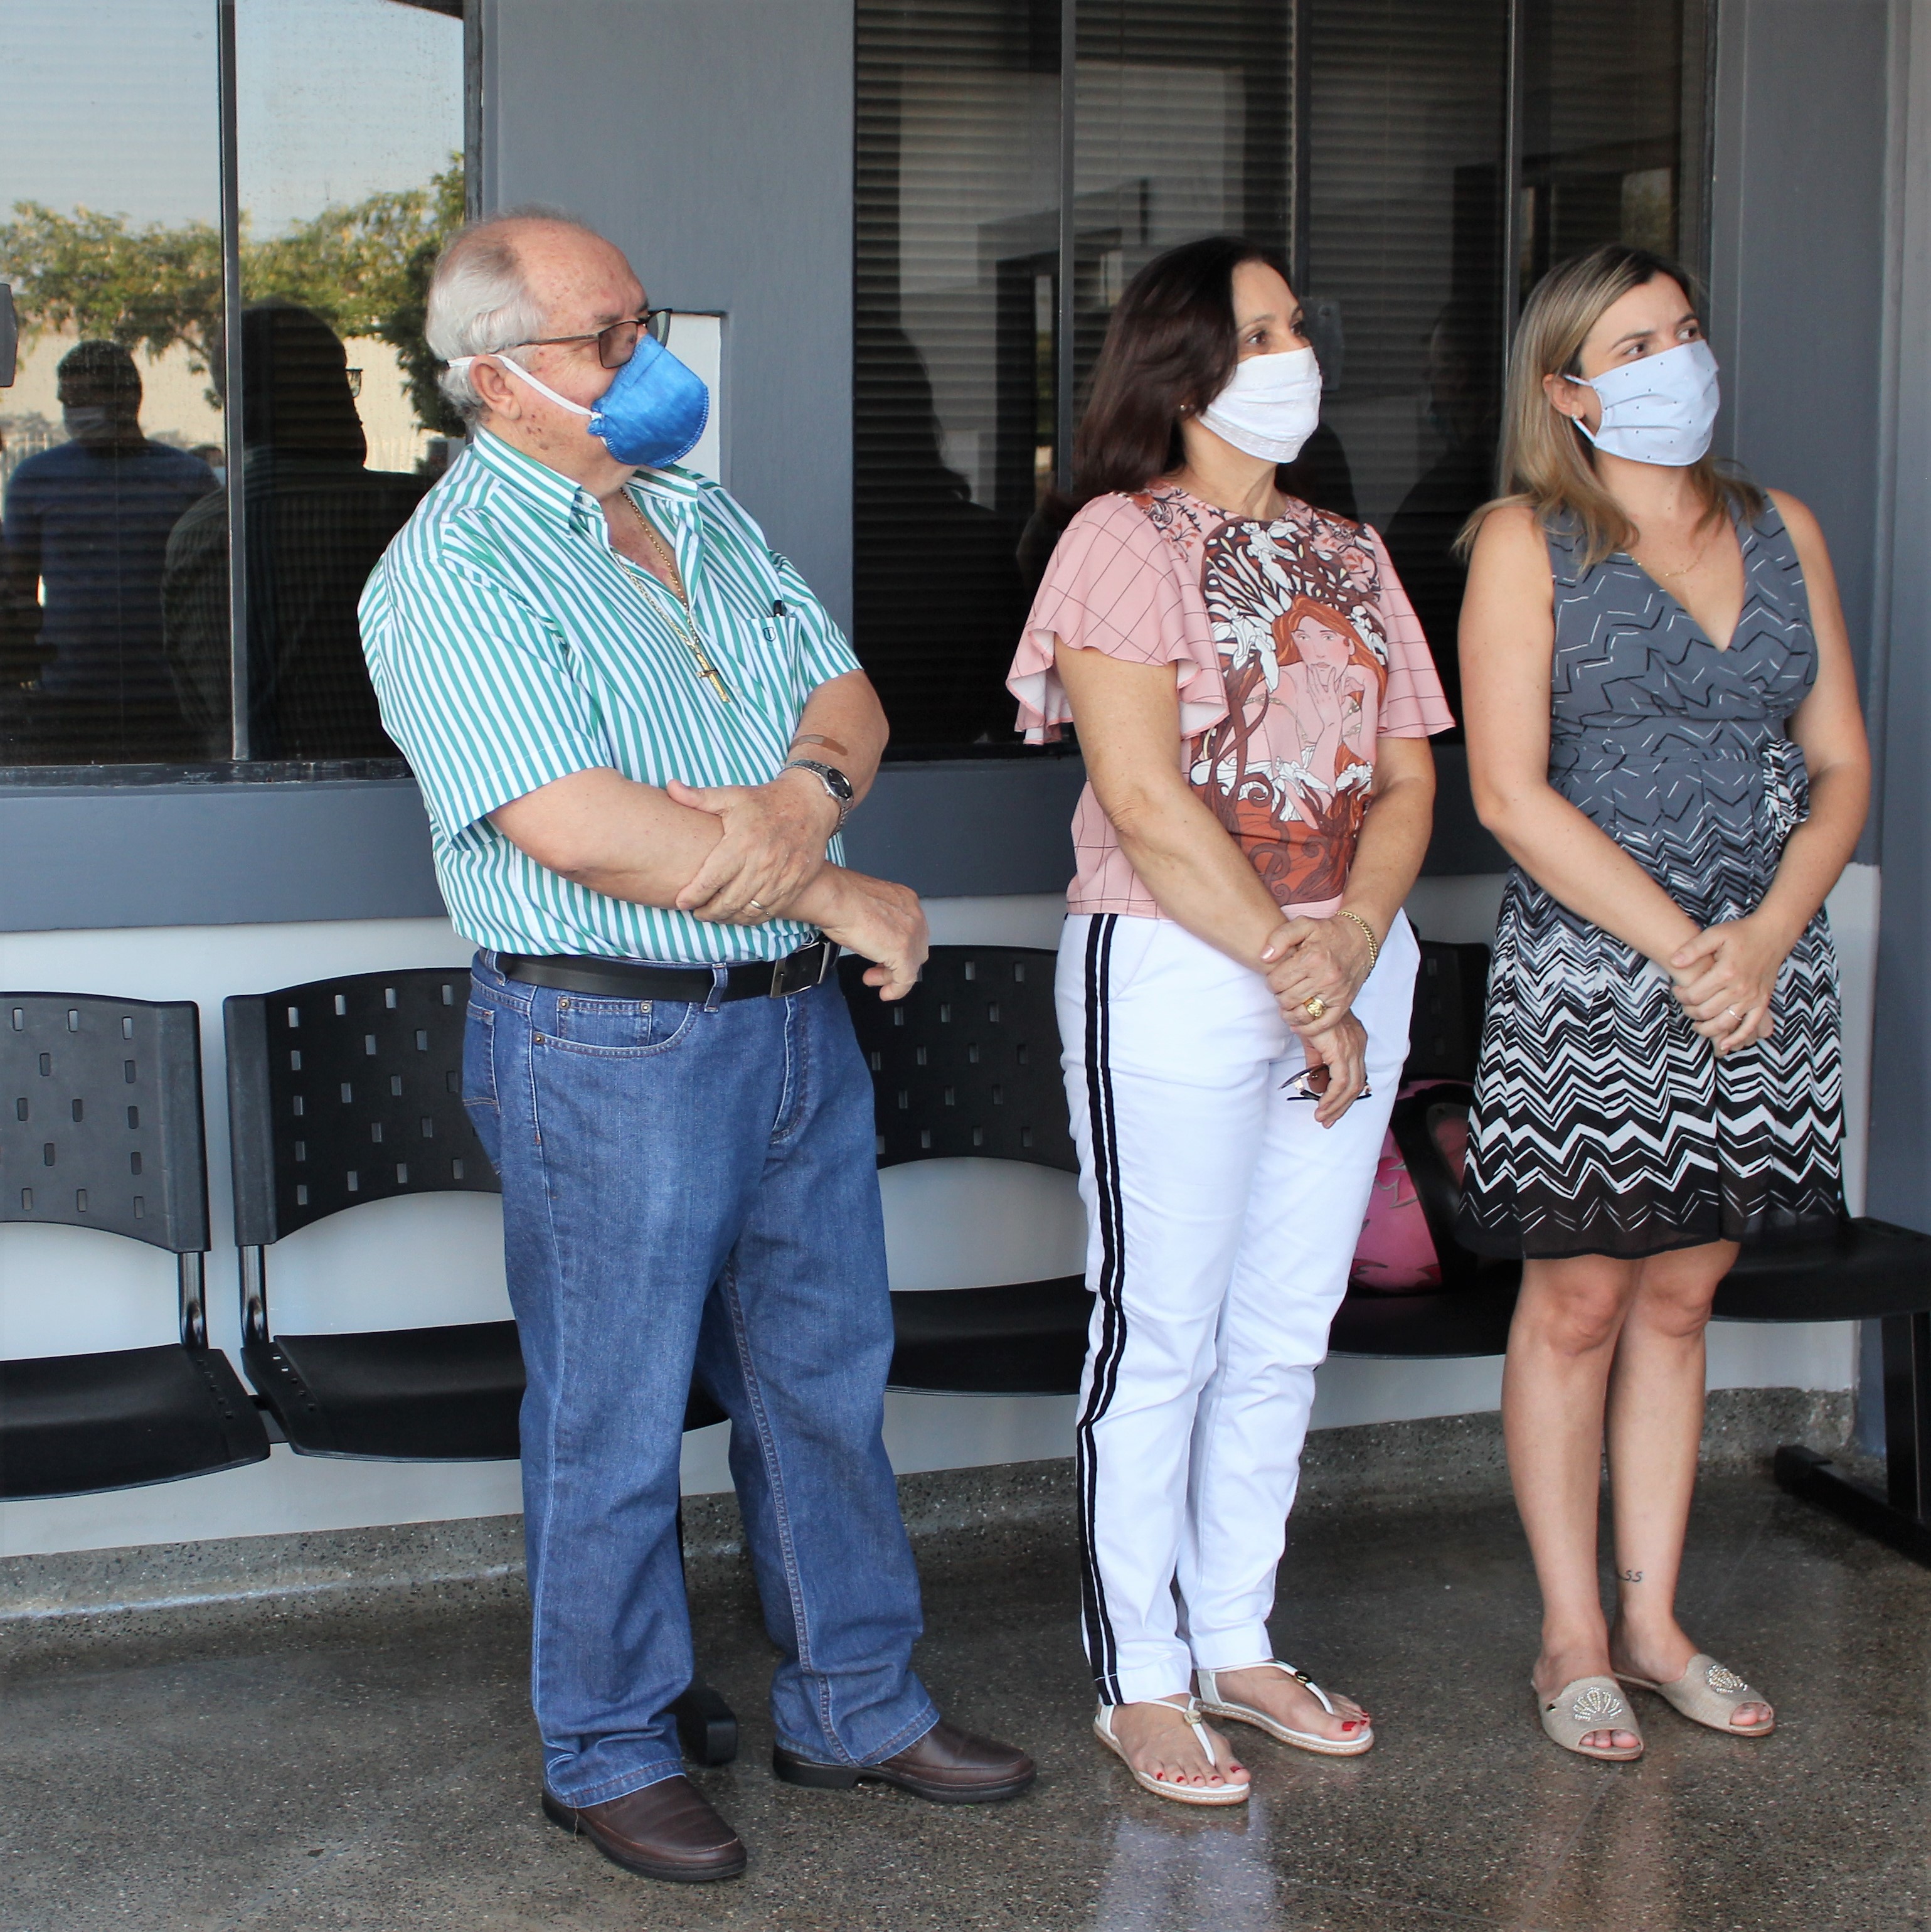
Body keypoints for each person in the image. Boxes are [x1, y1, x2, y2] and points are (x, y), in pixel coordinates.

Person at [359, 209, 1034, 1887]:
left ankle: (853, 1700)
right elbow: (577, 822)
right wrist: (837, 882)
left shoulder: (697, 509)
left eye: (640, 321)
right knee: (613, 1407)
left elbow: (847, 699)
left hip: (790, 1019)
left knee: (823, 1379)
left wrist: (796, 804)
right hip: (608, 1037)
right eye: (604, 337)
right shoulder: (449, 571)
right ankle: (605, 1744)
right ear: (492, 378)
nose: (645, 359)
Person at [1007, 236, 1451, 1804]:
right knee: (1162, 1330)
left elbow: (1406, 773)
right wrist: (1294, 964)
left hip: (1346, 960)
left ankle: (1237, 1637)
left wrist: (1349, 947)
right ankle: (1139, 1672)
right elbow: (1140, 793)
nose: (1292, 352)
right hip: (1183, 963)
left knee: (1280, 1327)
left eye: (1294, 326)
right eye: (1257, 332)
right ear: (1180, 365)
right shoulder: (1118, 537)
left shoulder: (1349, 547)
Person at [1455, 243, 1870, 1761]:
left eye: (1682, 329)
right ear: (1567, 390)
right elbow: (1506, 792)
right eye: (1634, 344)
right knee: (1576, 1301)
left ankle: (1654, 1621)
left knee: (1683, 1300)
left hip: (1762, 965)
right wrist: (1692, 947)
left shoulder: (1782, 528)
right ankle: (1569, 1632)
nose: (1675, 358)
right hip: (1597, 973)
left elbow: (1840, 762)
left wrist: (1762, 935)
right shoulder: (1525, 540)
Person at [166, 302, 427, 759]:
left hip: (245, 788)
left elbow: (196, 705)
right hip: (402, 787)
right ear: (316, 395)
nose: (352, 403)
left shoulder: (201, 532)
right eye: (339, 381)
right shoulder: (416, 515)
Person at [0, 339, 215, 762]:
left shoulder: (188, 478)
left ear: (129, 397)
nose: (74, 412)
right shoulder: (36, 478)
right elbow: (19, 590)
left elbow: (212, 592)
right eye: (67, 402)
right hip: (68, 694)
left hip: (168, 695)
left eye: (84, 400)